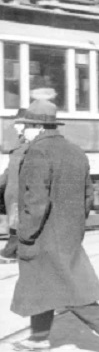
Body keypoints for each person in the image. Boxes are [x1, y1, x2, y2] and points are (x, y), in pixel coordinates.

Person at [9, 100, 99, 352]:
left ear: (38, 126)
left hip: (44, 234)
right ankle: (39, 337)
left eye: (27, 126)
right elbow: (87, 196)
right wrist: (75, 226)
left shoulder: (37, 153)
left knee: (66, 286)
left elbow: (35, 201)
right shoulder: (75, 151)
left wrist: (25, 233)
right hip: (67, 232)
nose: (22, 131)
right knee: (40, 283)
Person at [0, 108, 29, 262]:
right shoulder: (19, 145)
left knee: (17, 224)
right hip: (11, 192)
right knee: (14, 224)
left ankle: (11, 251)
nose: (15, 126)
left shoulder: (31, 146)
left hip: (19, 193)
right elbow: (9, 169)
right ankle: (12, 251)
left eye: (18, 123)